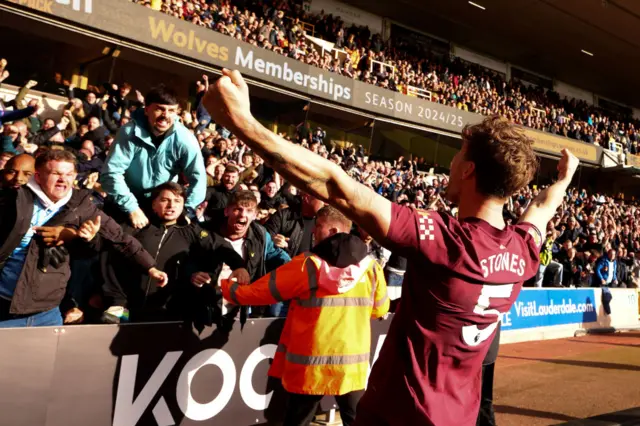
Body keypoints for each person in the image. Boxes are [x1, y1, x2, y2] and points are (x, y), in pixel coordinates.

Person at [202, 69, 579, 425]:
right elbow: (543, 208)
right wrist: (563, 181)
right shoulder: (524, 249)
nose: (451, 162)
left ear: (468, 171)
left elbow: (336, 187)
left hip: (401, 415)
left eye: (458, 154)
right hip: (457, 417)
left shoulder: (444, 240)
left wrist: (242, 123)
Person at [220, 206, 389, 426]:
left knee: (298, 421)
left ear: (334, 230)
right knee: (356, 420)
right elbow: (380, 309)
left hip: (311, 364)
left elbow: (263, 292)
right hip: (352, 366)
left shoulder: (308, 264)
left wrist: (226, 288)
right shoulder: (372, 268)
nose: (313, 231)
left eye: (319, 226)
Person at [0, 150, 167, 327]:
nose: (62, 180)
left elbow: (119, 237)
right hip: (4, 304)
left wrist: (150, 267)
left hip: (47, 312)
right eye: (55, 173)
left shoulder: (81, 205)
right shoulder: (13, 199)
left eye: (69, 174)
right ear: (38, 176)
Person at [101, 182, 250, 323]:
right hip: (126, 308)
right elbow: (107, 249)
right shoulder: (138, 224)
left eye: (177, 201)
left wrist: (239, 266)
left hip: (166, 311)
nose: (171, 205)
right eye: (165, 200)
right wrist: (115, 300)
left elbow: (219, 245)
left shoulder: (191, 230)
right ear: (154, 203)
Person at [100, 85, 206, 229]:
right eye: (159, 109)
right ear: (147, 109)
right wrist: (132, 208)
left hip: (162, 207)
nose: (166, 115)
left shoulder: (185, 139)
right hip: (125, 202)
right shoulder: (129, 132)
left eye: (171, 110)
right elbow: (111, 173)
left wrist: (186, 210)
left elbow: (199, 178)